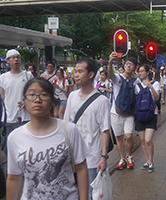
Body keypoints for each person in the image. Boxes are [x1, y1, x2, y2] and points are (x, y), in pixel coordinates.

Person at [6, 77, 89, 200]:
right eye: (32, 95)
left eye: (44, 95)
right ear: (24, 101)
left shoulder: (69, 130)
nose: (37, 100)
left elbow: (81, 169)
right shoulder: (15, 137)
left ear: (51, 101)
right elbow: (13, 177)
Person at [64, 58, 110, 197]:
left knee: (91, 193)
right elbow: (66, 125)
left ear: (91, 74)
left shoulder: (102, 100)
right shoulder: (72, 96)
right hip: (72, 156)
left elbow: (104, 130)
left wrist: (103, 157)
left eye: (80, 71)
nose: (76, 75)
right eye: (75, 71)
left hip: (92, 157)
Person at [107, 52, 140, 170]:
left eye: (131, 64)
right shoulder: (117, 78)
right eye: (126, 64)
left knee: (129, 136)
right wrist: (110, 62)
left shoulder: (136, 81)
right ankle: (122, 158)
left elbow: (141, 94)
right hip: (115, 113)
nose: (128, 66)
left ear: (135, 67)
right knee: (119, 137)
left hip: (129, 114)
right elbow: (110, 75)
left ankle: (129, 155)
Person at [0, 49, 34, 153]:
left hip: (25, 118)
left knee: (27, 148)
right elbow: (2, 98)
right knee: (8, 149)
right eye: (13, 57)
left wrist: (26, 101)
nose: (16, 59)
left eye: (18, 57)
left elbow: (34, 93)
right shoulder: (3, 77)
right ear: (8, 61)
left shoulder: (28, 75)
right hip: (8, 119)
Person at [135, 65, 160, 173]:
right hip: (140, 115)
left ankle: (151, 162)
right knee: (142, 141)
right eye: (139, 71)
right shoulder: (136, 85)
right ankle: (147, 161)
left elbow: (157, 98)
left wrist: (150, 87)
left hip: (151, 115)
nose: (140, 73)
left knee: (148, 140)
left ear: (147, 72)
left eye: (142, 71)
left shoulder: (155, 83)